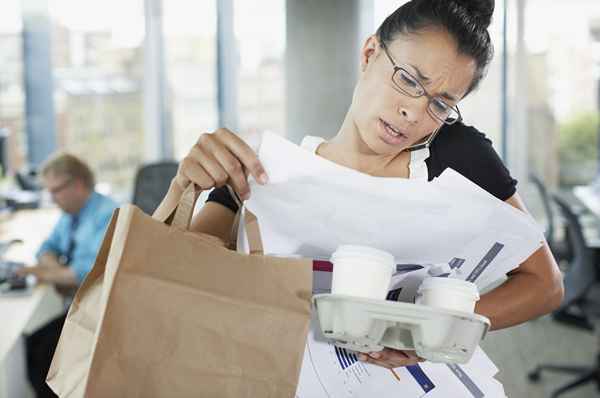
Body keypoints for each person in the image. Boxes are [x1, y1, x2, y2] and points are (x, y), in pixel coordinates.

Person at [155, 0, 564, 371]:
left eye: (440, 103)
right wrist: (181, 189)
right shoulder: (263, 174)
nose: (413, 112)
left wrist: (435, 333)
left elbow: (545, 283)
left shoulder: (456, 156)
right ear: (369, 54)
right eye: (408, 80)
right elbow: (163, 283)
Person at [16, 153, 118, 398]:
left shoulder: (106, 215)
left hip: (103, 312)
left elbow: (83, 275)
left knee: (39, 352)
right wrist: (54, 271)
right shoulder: (72, 214)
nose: (51, 198)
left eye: (56, 190)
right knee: (33, 345)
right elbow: (47, 248)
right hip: (81, 304)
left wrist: (43, 272)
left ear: (78, 184)